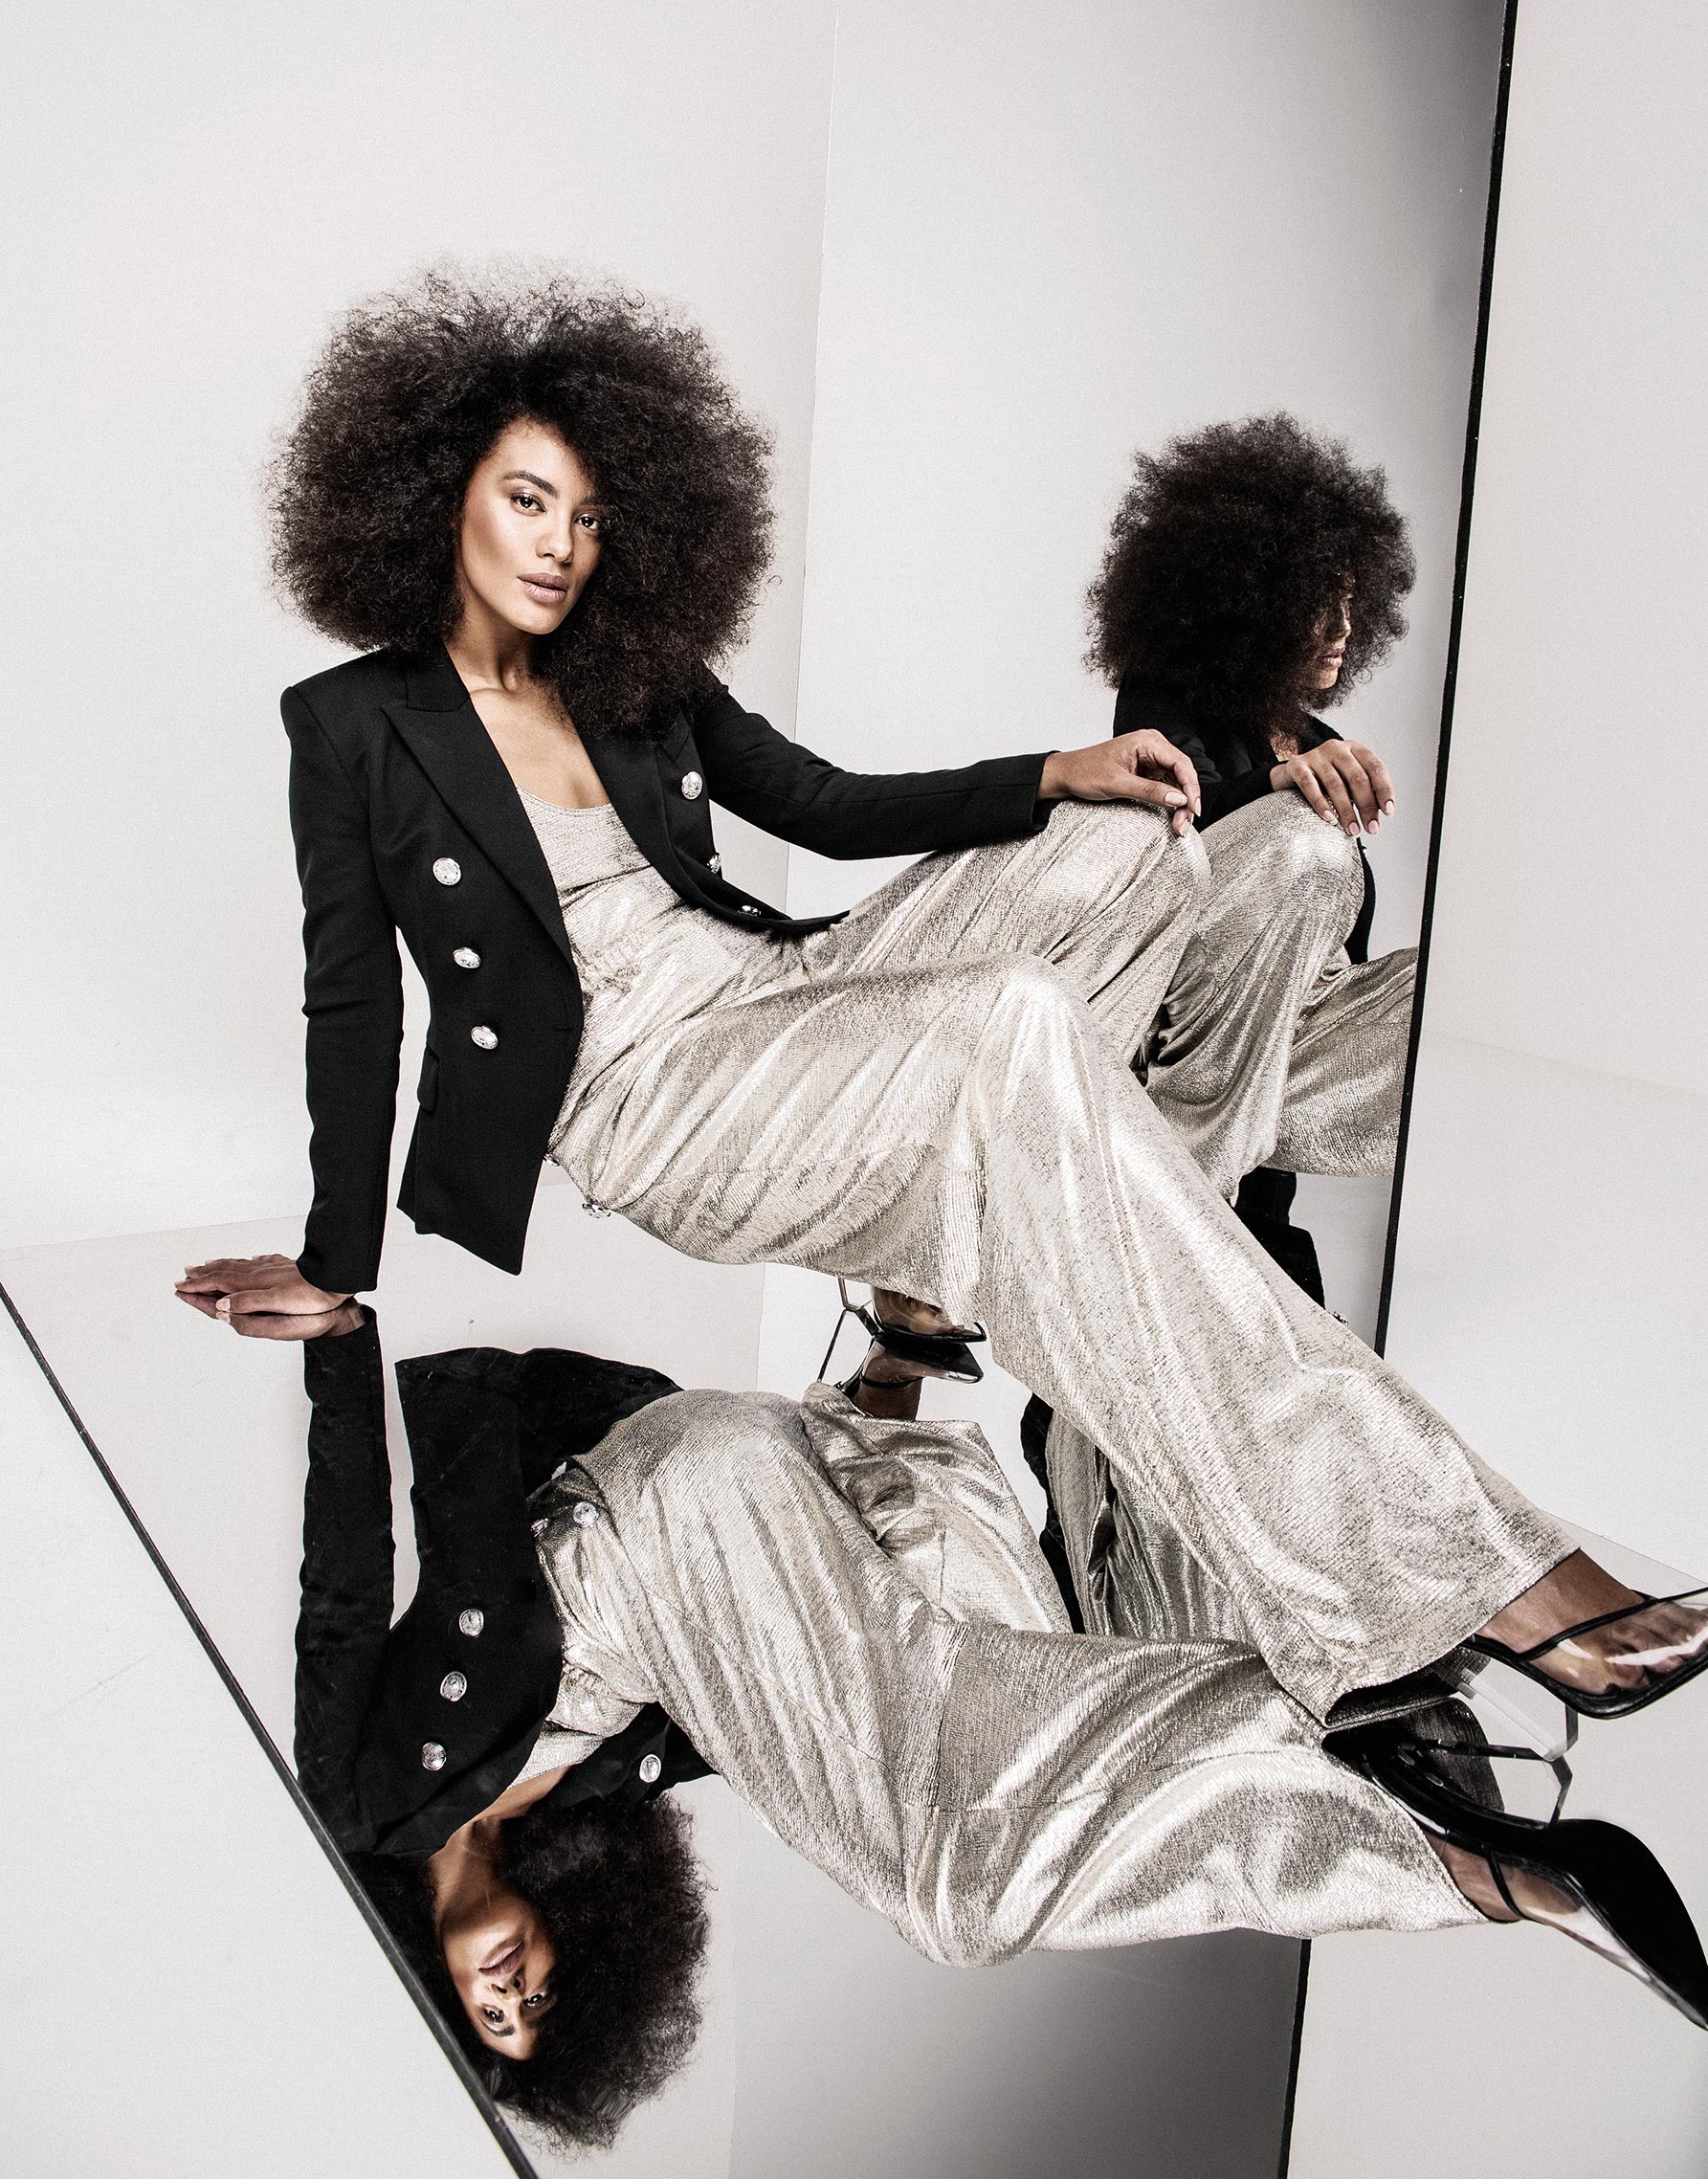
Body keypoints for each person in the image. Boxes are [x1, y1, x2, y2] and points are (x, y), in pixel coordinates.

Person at [195, 268, 1704, 1880]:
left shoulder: (628, 672)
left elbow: (822, 803)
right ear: (434, 497)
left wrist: (1062, 771)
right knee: (1009, 1023)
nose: (562, 543)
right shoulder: (353, 726)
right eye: (525, 500)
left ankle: (1017, 1248)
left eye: (589, 512)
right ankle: (1455, 1571)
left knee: (1137, 842)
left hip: (772, 990)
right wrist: (333, 1259)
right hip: (648, 1089)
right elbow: (352, 999)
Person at [175, 1278, 1708, 2161]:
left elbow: (340, 1585)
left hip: (661, 1512)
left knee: (948, 1887)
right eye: (532, 2014)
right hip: (835, 1488)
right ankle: (1316, 1642)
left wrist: (337, 1340)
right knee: (1023, 1688)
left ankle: (1455, 1844)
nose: (513, 1995)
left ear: (423, 1970)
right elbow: (847, 1663)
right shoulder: (605, 1791)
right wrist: (894, 1379)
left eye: (487, 2016)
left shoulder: (372, 1794)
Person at [1087, 411, 1420, 1287]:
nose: (1341, 626)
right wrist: (1280, 786)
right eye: (1316, 602)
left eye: (1351, 600)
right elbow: (1174, 820)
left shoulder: (1324, 742)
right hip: (1177, 1047)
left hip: (1271, 1131)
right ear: (1250, 602)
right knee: (1300, 845)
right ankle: (1163, 1216)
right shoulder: (1169, 695)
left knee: (1446, 993)